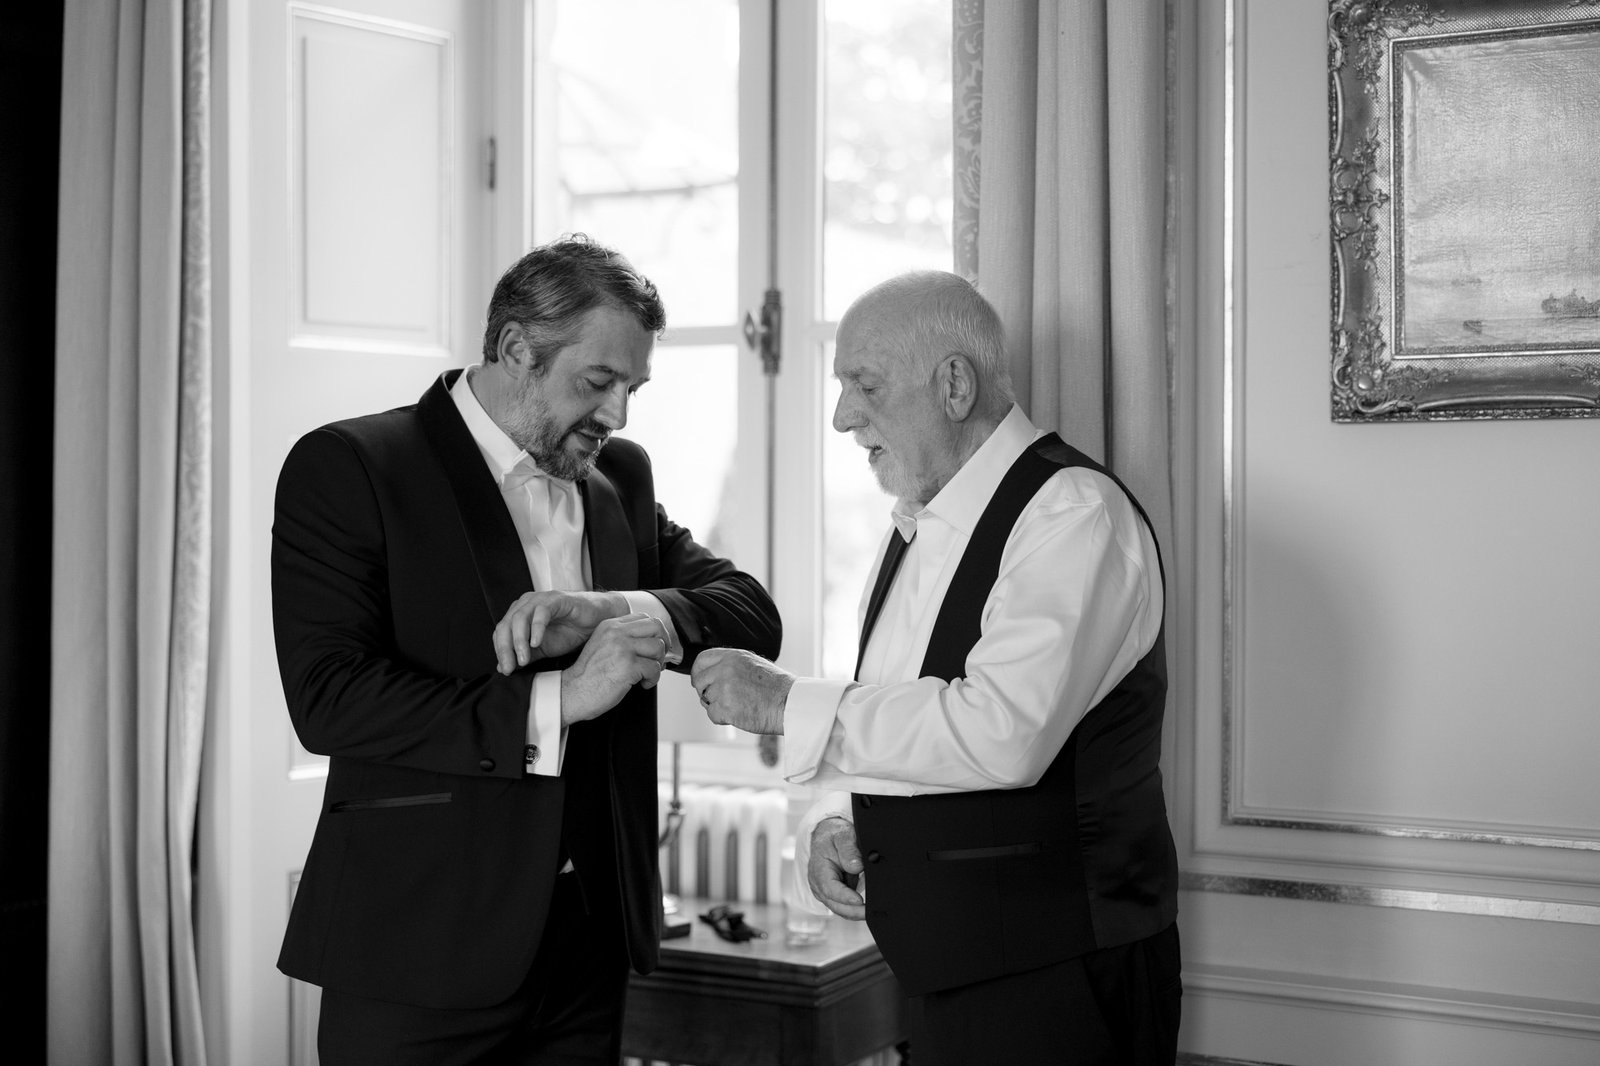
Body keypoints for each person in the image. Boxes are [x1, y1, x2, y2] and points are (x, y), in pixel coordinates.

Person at [272, 234, 781, 1064]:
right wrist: (561, 700)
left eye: (633, 387)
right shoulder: (354, 466)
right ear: (516, 349)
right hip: (418, 947)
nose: (618, 414)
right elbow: (329, 698)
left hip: (588, 948)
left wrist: (603, 607)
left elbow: (750, 615)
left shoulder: (622, 476)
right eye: (598, 381)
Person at [691, 271, 1180, 1064]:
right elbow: (911, 723)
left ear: (954, 383)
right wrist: (843, 824)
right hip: (944, 974)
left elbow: (1000, 733)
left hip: (1057, 977)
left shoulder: (1072, 515)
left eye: (865, 385)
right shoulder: (915, 526)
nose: (844, 416)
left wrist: (787, 704)